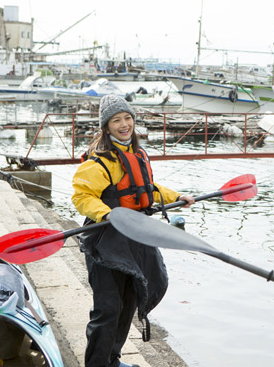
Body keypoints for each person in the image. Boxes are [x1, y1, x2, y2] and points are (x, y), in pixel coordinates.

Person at [72, 94, 195, 367]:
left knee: (129, 301)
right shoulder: (98, 162)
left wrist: (178, 196)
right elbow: (81, 198)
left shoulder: (137, 155)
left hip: (135, 238)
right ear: (106, 127)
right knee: (108, 308)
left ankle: (112, 361)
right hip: (105, 240)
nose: (124, 124)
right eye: (116, 120)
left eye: (128, 118)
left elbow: (148, 190)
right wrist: (109, 214)